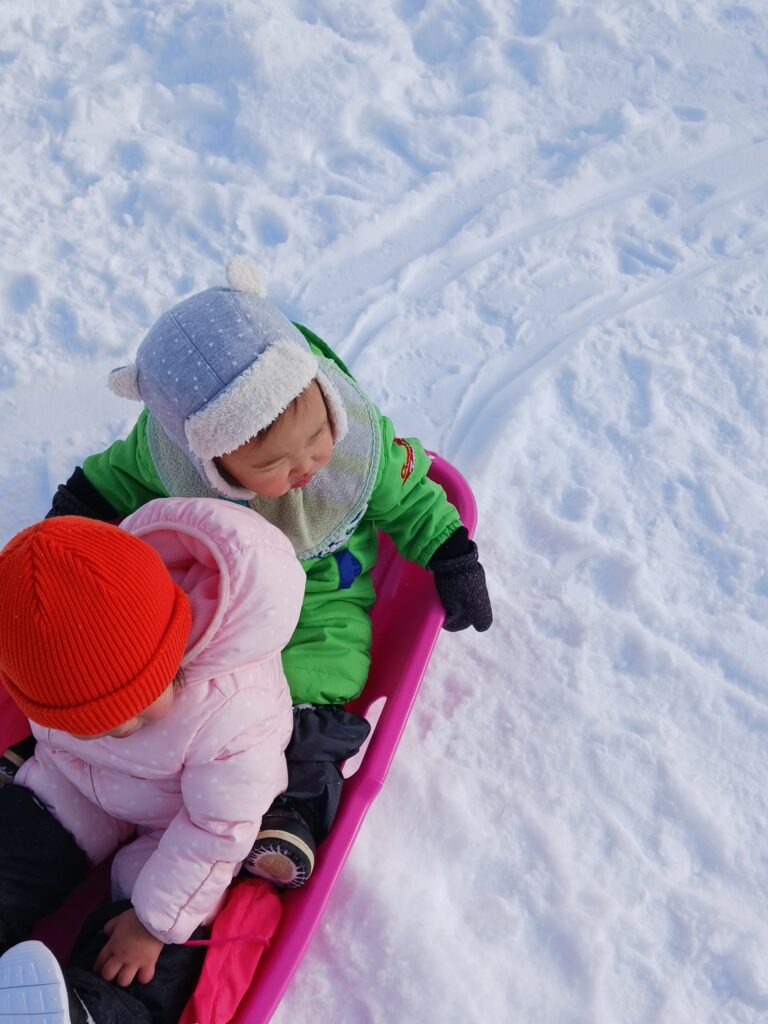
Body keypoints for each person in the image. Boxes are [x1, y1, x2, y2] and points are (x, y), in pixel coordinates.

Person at [45, 255, 493, 888]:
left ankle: (294, 809)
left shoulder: (354, 446)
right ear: (209, 465)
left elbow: (413, 496)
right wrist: (69, 523)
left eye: (316, 435)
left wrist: (452, 554)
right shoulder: (169, 453)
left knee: (325, 672)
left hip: (320, 589)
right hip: (212, 585)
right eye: (273, 465)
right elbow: (109, 480)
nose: (307, 465)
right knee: (151, 674)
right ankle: (77, 761)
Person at [0, 496, 304, 1024]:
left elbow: (217, 829)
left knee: (150, 953)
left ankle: (90, 1011)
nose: (120, 728)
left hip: (180, 824)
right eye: (92, 720)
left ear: (173, 650)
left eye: (138, 708)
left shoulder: (232, 710)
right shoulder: (49, 658)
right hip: (77, 782)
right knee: (17, 845)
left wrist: (153, 922)